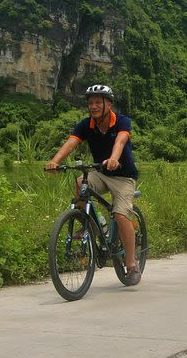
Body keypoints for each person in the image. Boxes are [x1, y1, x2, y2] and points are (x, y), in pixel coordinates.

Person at [44, 84, 142, 286]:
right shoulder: (85, 125)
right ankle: (87, 226)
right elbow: (71, 143)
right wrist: (55, 161)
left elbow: (120, 142)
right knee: (81, 182)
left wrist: (114, 158)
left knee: (121, 215)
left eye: (98, 102)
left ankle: (132, 264)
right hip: (101, 172)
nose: (94, 106)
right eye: (90, 103)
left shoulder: (122, 121)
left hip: (123, 177)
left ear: (109, 103)